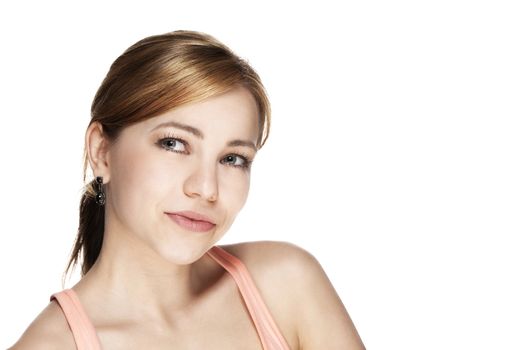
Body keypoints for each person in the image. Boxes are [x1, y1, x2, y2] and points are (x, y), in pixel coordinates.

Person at [9, 30, 365, 349]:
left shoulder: (286, 285)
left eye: (233, 159)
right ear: (102, 152)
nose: (206, 188)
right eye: (174, 144)